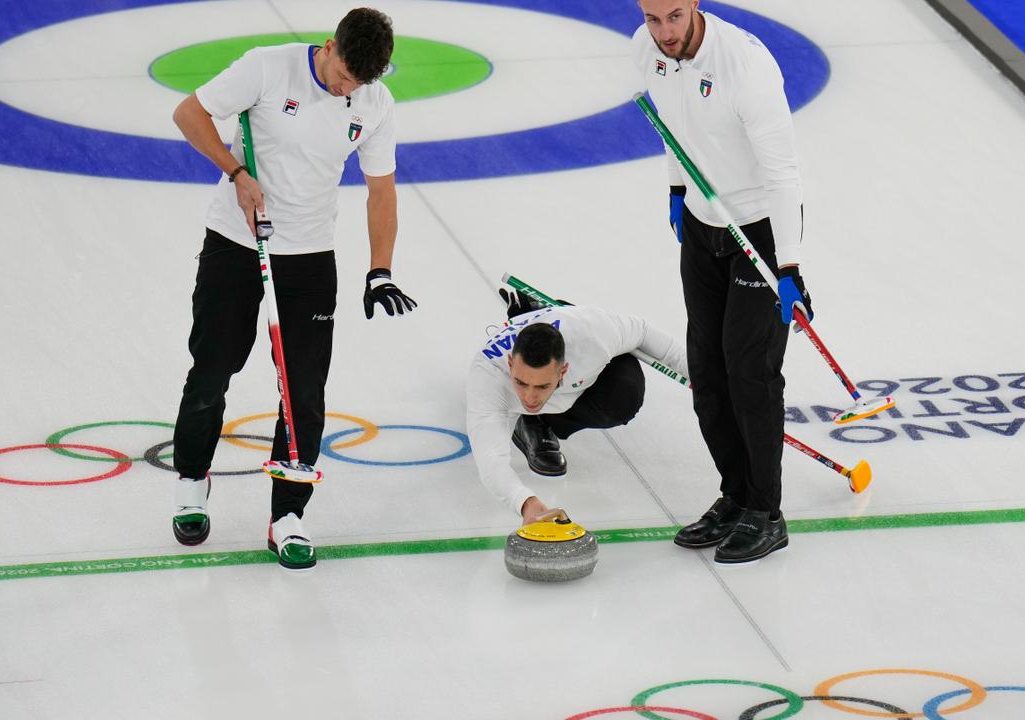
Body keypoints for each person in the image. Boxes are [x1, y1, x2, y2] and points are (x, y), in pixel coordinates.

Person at [167, 8, 418, 571]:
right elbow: (190, 113)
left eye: (359, 84)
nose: (346, 90)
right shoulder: (267, 68)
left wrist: (381, 269)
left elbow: (382, 192)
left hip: (308, 257)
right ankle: (190, 480)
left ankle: (288, 515)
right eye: (342, 76)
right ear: (329, 46)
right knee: (212, 367)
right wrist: (236, 172)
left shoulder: (375, 103)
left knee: (304, 390)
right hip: (236, 241)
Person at [632, 0, 813, 563]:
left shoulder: (746, 67)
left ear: (694, 5)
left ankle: (766, 511)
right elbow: (670, 127)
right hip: (704, 230)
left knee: (750, 372)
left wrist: (790, 268)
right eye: (652, 19)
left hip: (756, 230)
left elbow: (783, 173)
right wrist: (676, 190)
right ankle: (735, 496)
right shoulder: (645, 50)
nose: (664, 33)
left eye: (674, 18)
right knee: (707, 372)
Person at [467, 290, 688, 525]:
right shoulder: (488, 376)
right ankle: (531, 415)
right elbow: (491, 462)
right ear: (511, 363)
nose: (529, 397)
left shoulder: (596, 336)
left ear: (563, 370)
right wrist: (525, 502)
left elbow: (644, 333)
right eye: (520, 382)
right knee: (527, 403)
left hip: (579, 336)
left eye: (542, 386)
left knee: (624, 398)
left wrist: (704, 374)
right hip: (549, 364)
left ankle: (542, 417)